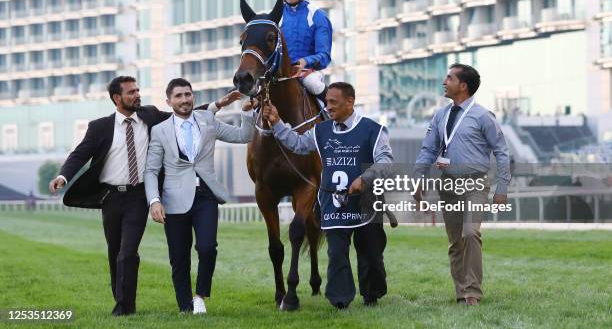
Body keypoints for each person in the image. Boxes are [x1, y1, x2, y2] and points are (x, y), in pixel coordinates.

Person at [48, 76, 240, 316]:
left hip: (138, 196)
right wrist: (63, 177)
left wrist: (218, 105)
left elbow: (183, 114)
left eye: (138, 90)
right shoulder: (100, 127)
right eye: (131, 92)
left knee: (128, 251)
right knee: (115, 251)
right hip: (110, 197)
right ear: (117, 98)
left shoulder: (149, 115)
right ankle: (124, 300)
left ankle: (124, 308)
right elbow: (80, 154)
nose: (137, 95)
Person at [262, 82, 392, 309]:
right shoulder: (321, 130)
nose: (328, 107)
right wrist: (277, 123)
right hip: (333, 201)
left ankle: (372, 293)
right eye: (327, 102)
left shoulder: (374, 129)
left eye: (333, 102)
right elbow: (298, 144)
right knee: (336, 252)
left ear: (350, 102)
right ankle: (340, 299)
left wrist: (366, 178)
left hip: (366, 201)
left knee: (371, 251)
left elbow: (385, 161)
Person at [144, 78, 256, 314]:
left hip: (206, 195)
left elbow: (243, 136)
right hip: (173, 200)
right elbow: (151, 170)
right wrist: (154, 201)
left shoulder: (207, 120)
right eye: (179, 96)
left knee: (207, 247)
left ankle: (199, 296)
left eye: (188, 94)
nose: (184, 99)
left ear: (193, 97)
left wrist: (247, 114)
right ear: (169, 101)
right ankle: (185, 306)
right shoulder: (160, 131)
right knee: (179, 256)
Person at [414, 64, 511, 306]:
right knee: (456, 242)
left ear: (463, 86)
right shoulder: (440, 115)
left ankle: (473, 293)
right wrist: (419, 178)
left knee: (470, 233)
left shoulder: (483, 116)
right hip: (447, 185)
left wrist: (502, 188)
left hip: (475, 184)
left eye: (449, 78)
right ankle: (461, 292)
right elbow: (428, 149)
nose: (444, 81)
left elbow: (502, 152)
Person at [276, 0, 332, 107]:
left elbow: (324, 56)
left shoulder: (317, 15)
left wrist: (305, 61)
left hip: (308, 72)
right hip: (280, 74)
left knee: (314, 84)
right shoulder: (276, 17)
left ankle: (337, 120)